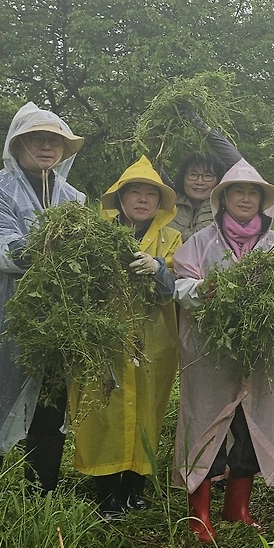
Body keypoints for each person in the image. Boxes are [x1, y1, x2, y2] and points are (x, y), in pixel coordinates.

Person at [0, 103, 85, 493]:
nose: (47, 147)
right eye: (37, 139)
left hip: (59, 318)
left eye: (54, 141)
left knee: (50, 398)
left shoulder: (73, 199)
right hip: (6, 312)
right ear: (17, 146)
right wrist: (46, 247)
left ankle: (40, 488)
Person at [172, 159, 274, 543]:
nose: (245, 198)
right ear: (223, 198)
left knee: (253, 425)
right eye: (238, 191)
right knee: (206, 424)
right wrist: (202, 290)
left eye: (252, 192)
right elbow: (180, 285)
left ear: (262, 200)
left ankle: (237, 508)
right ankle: (199, 515)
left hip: (259, 353)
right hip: (211, 351)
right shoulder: (201, 242)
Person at [74, 156, 181, 517]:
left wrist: (158, 268)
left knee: (148, 411)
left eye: (151, 193)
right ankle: (107, 491)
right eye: (135, 192)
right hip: (105, 340)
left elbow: (173, 291)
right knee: (104, 410)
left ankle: (135, 487)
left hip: (153, 341)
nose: (143, 199)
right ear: (119, 198)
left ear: (160, 202)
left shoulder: (171, 239)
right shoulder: (96, 236)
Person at [161, 114, 243, 242]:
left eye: (208, 176)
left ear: (218, 180)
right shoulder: (169, 200)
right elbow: (151, 162)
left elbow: (238, 165)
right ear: (183, 177)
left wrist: (200, 125)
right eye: (193, 175)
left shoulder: (225, 207)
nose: (199, 182)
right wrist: (162, 128)